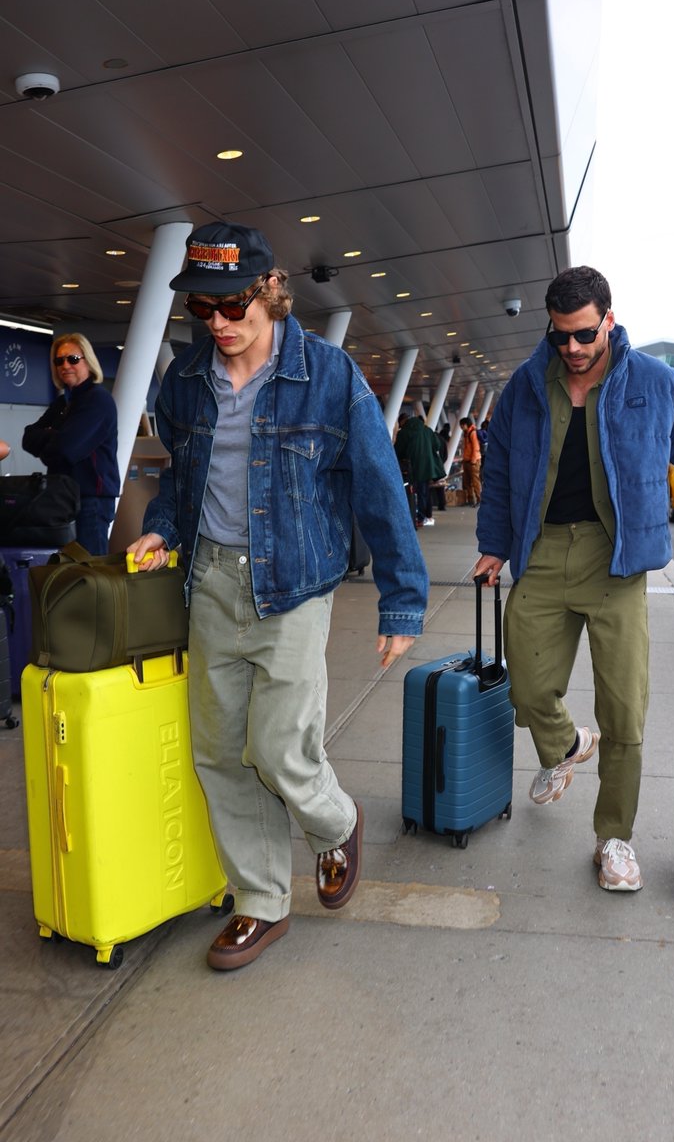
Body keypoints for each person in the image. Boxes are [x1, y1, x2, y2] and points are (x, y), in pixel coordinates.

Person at [129, 222, 428, 971]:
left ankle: (334, 823)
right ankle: (261, 900)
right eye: (203, 311)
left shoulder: (327, 376)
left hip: (294, 584)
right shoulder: (187, 380)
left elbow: (380, 490)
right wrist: (161, 528)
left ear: (270, 292)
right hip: (210, 582)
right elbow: (180, 476)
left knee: (279, 748)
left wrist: (401, 601)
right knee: (220, 753)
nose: (220, 326)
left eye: (234, 309)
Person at [474, 265, 674, 893]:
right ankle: (565, 745)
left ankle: (613, 838)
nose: (572, 348)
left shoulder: (652, 381)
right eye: (561, 335)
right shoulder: (527, 384)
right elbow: (504, 466)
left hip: (617, 562)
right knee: (526, 688)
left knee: (625, 712)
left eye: (584, 335)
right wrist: (491, 545)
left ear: (609, 322)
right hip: (540, 553)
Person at [22, 334, 120, 553]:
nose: (65, 365)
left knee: (90, 572)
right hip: (60, 498)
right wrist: (56, 437)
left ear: (88, 361)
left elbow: (67, 449)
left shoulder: (98, 400)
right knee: (65, 571)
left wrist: (50, 437)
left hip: (90, 502)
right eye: (59, 361)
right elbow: (28, 438)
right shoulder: (63, 403)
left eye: (73, 359)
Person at [394, 412, 443, 527]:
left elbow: (397, 451)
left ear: (402, 422)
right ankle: (424, 517)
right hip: (427, 467)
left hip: (411, 467)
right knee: (424, 492)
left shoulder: (403, 433)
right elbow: (437, 445)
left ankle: (415, 516)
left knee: (411, 493)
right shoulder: (427, 430)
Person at [459, 416, 482, 505]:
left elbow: (476, 447)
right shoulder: (466, 433)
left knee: (475, 481)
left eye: (462, 425)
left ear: (466, 424)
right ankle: (471, 499)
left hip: (473, 461)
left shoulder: (472, 433)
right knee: (467, 481)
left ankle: (479, 499)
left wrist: (473, 460)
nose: (461, 427)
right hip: (467, 460)